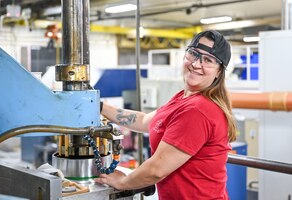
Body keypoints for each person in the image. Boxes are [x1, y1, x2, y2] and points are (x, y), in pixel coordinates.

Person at [94, 30, 237, 200]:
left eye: (208, 60)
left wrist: (123, 182)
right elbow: (143, 121)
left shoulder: (198, 109)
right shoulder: (182, 98)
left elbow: (156, 170)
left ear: (219, 72)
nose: (197, 64)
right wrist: (99, 106)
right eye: (194, 54)